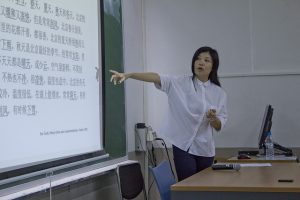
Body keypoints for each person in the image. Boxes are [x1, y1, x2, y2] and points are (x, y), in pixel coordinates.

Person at [110, 46, 228, 181]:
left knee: (204, 191)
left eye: (206, 60)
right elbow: (156, 77)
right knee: (188, 189)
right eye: (197, 59)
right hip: (183, 147)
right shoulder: (179, 83)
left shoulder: (219, 93)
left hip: (205, 150)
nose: (200, 62)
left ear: (213, 67)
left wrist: (214, 119)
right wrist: (129, 75)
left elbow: (219, 125)